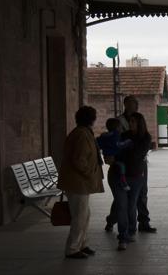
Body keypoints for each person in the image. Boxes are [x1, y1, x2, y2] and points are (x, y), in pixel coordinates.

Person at [57, 106, 104, 259]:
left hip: (79, 182)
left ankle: (82, 244)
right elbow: (79, 159)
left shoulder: (82, 132)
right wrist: (90, 173)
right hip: (78, 182)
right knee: (79, 216)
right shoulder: (82, 135)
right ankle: (72, 249)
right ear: (91, 119)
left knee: (85, 215)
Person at [105, 95, 157, 233]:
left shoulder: (139, 122)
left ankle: (143, 222)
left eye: (135, 104)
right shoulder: (119, 122)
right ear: (126, 105)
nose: (135, 107)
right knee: (122, 199)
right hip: (124, 165)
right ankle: (112, 220)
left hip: (137, 164)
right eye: (132, 104)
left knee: (142, 193)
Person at [111, 112, 152, 251]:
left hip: (136, 177)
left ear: (140, 123)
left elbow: (137, 155)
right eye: (130, 121)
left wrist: (123, 151)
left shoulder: (146, 137)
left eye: (134, 121)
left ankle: (132, 230)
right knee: (122, 206)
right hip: (120, 176)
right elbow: (117, 152)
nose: (131, 124)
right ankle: (123, 236)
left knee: (131, 205)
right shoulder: (124, 135)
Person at [97, 118, 132, 191]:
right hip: (115, 157)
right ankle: (123, 183)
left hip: (107, 156)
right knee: (122, 167)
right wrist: (128, 142)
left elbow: (98, 144)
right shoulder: (116, 135)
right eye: (120, 126)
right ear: (117, 127)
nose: (121, 128)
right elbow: (118, 145)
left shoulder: (104, 135)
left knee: (118, 166)